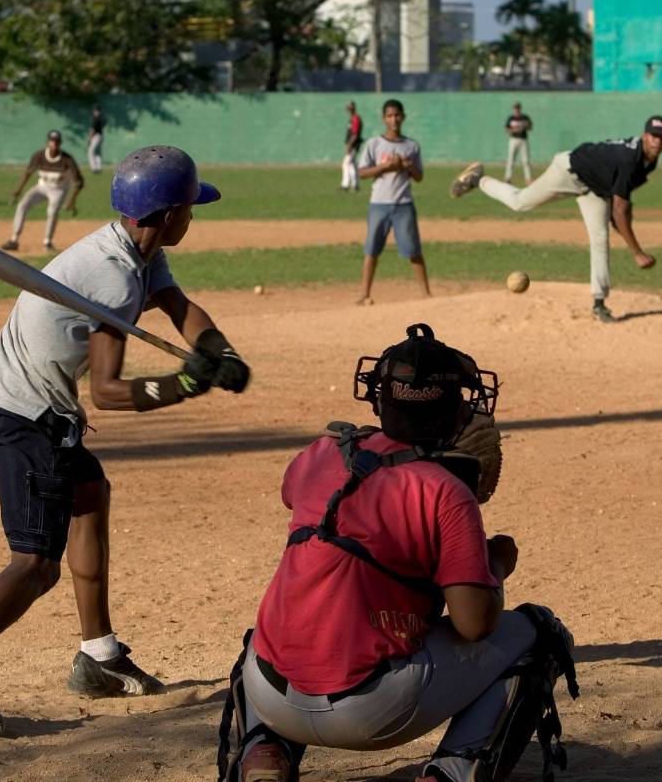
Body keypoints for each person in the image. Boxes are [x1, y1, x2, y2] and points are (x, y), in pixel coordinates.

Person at [0, 146, 251, 737]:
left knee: (88, 492)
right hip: (19, 411)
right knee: (36, 563)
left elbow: (177, 306)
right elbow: (110, 392)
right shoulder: (111, 279)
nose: (194, 216)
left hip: (21, 401)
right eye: (191, 206)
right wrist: (188, 383)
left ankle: (100, 655)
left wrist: (218, 350)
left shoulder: (139, 252)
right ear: (166, 214)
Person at [218, 324, 579, 782]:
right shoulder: (445, 491)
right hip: (372, 711)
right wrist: (495, 563)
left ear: (379, 399)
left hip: (268, 695)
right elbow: (475, 624)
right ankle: (452, 772)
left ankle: (262, 750)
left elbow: (294, 494)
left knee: (281, 630)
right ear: (456, 413)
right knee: (539, 634)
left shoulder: (322, 452)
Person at [451, 115, 662, 323]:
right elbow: (620, 210)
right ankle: (478, 180)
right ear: (645, 136)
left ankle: (599, 303)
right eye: (654, 136)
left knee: (599, 238)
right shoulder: (629, 159)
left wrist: (618, 218)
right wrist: (637, 252)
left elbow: (621, 202)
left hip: (595, 188)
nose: (658, 141)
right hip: (569, 171)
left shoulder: (648, 161)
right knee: (520, 202)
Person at [356, 99, 428, 305]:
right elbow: (362, 172)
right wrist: (386, 166)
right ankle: (364, 294)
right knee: (371, 250)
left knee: (413, 250)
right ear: (383, 118)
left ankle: (426, 295)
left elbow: (419, 176)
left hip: (404, 204)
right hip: (379, 203)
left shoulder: (411, 146)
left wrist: (407, 166)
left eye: (397, 115)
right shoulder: (374, 144)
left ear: (403, 117)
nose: (393, 119)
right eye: (389, 115)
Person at [1, 130, 84, 253]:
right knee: (22, 205)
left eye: (56, 141)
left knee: (52, 211)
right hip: (42, 187)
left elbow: (79, 183)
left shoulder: (67, 159)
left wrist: (71, 201)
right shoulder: (39, 156)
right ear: (47, 142)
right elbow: (27, 173)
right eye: (51, 141)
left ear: (60, 143)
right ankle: (14, 240)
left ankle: (47, 242)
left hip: (58, 189)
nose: (54, 143)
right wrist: (17, 190)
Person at [504, 102, 533, 183]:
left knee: (526, 160)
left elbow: (530, 127)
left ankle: (528, 178)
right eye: (515, 108)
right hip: (513, 140)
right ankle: (508, 178)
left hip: (523, 140)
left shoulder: (525, 117)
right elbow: (507, 129)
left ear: (520, 109)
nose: (516, 110)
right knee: (511, 159)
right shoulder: (511, 118)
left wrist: (525, 126)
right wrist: (514, 129)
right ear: (514, 109)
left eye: (518, 108)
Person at [340, 101, 363, 192]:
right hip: (353, 145)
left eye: (349, 107)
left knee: (346, 163)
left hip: (353, 145)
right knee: (352, 165)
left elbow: (355, 134)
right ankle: (355, 185)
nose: (348, 109)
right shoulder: (353, 118)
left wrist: (349, 145)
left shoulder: (355, 119)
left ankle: (345, 185)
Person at [88, 104, 106, 174]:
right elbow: (104, 123)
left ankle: (94, 168)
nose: (94, 112)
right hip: (101, 135)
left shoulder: (96, 119)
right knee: (98, 153)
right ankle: (98, 167)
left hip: (96, 136)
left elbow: (93, 130)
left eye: (95, 111)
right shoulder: (101, 118)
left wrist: (89, 138)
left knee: (90, 151)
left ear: (96, 111)